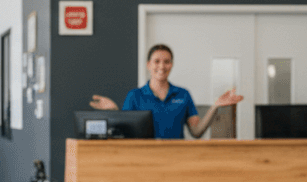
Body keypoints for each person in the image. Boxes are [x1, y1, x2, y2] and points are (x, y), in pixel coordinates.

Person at [89, 44, 243, 139]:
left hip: (176, 159)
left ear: (172, 64)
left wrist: (215, 106)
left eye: (166, 62)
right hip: (144, 160)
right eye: (157, 61)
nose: (161, 66)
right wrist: (114, 111)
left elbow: (197, 132)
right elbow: (125, 133)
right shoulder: (135, 96)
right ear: (149, 65)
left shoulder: (183, 95)